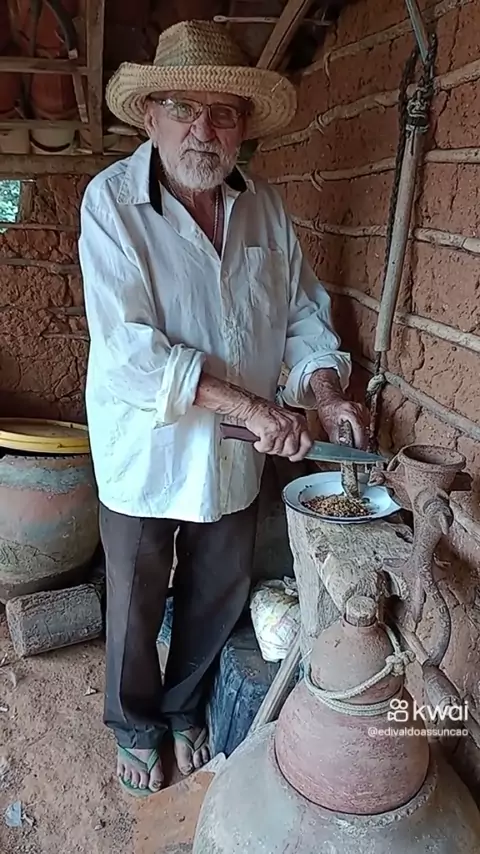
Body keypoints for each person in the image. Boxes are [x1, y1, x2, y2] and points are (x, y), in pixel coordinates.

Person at [78, 19, 367, 797]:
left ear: (243, 126)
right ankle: (135, 725)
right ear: (150, 116)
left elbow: (303, 315)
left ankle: (182, 709)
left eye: (224, 113)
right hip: (149, 444)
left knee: (217, 589)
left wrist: (326, 394)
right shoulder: (112, 204)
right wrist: (252, 404)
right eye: (183, 107)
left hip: (240, 448)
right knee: (136, 594)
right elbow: (130, 350)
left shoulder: (264, 206)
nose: (203, 130)